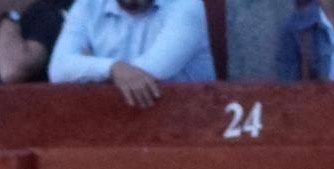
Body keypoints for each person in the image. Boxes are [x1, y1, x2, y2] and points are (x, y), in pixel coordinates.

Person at [49, 0, 215, 108]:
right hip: (110, 127)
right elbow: (58, 70)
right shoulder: (88, 6)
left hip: (185, 123)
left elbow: (152, 71)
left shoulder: (185, 4)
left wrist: (86, 67)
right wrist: (112, 68)